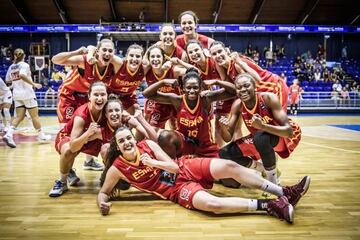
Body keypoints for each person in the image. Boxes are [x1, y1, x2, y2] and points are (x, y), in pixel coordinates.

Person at [97, 126, 311, 224]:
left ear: (134, 139)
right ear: (117, 145)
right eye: (122, 141)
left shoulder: (148, 145)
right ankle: (270, 206)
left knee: (229, 166)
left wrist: (152, 161)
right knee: (213, 205)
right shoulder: (117, 168)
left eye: (129, 138)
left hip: (184, 167)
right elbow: (104, 192)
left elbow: (172, 167)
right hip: (174, 189)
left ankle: (284, 192)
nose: (127, 142)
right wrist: (102, 203)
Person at [218, 73, 301, 186]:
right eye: (239, 87)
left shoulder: (268, 98)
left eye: (246, 86)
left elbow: (288, 131)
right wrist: (223, 127)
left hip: (285, 135)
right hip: (260, 136)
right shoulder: (237, 105)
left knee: (261, 137)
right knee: (224, 153)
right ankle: (263, 169)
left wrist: (263, 126)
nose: (243, 90)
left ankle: (272, 184)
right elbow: (227, 138)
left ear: (255, 87)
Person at [52, 39, 121, 171]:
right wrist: (79, 51)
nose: (107, 53)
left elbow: (121, 61)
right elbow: (55, 60)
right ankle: (68, 169)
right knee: (67, 134)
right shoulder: (84, 60)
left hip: (89, 97)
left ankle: (89, 161)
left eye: (110, 51)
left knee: (93, 127)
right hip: (70, 95)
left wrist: (93, 50)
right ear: (98, 51)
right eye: (104, 50)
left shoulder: (113, 65)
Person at [143, 69, 235, 157]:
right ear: (183, 88)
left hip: (204, 144)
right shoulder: (177, 100)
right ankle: (172, 165)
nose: (192, 91)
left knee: (214, 169)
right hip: (184, 142)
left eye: (195, 87)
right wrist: (163, 82)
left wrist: (216, 82)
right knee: (164, 136)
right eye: (188, 88)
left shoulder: (206, 99)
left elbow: (234, 91)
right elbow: (146, 94)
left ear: (200, 88)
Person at [3, 48, 51, 148]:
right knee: (34, 116)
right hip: (27, 93)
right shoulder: (24, 65)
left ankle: (9, 134)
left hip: (16, 94)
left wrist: (16, 82)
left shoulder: (11, 67)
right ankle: (41, 136)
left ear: (15, 56)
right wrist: (33, 84)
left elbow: (7, 80)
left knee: (19, 117)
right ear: (24, 56)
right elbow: (22, 75)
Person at [144, 45, 187, 131]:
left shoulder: (173, 70)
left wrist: (175, 62)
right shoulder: (146, 70)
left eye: (158, 56)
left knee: (177, 129)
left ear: (163, 58)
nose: (155, 59)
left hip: (176, 102)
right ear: (148, 59)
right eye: (152, 56)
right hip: (160, 103)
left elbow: (194, 72)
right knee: (152, 128)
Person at [108, 44, 148, 115]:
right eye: (131, 55)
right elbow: (100, 52)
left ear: (142, 59)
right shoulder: (119, 63)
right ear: (126, 57)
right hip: (111, 94)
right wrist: (90, 52)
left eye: (138, 56)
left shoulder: (145, 68)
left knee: (137, 114)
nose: (134, 59)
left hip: (128, 96)